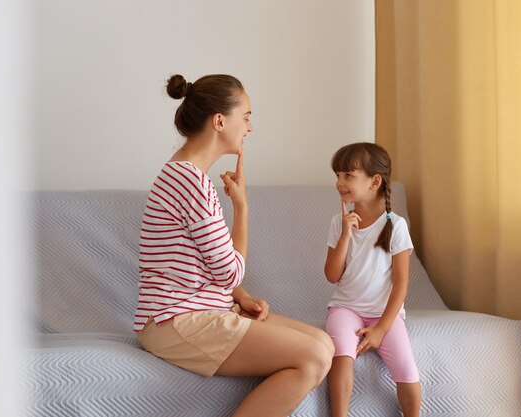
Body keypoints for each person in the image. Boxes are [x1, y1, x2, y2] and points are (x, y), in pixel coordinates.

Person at [134, 73, 334, 417]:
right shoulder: (191, 182)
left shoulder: (184, 174)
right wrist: (242, 207)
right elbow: (230, 272)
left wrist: (240, 297)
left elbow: (206, 267)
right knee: (314, 356)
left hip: (191, 311)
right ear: (219, 121)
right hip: (176, 320)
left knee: (324, 344)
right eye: (247, 116)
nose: (250, 127)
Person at [323, 142, 422, 417]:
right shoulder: (337, 222)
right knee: (341, 355)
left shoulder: (395, 226)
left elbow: (401, 285)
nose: (339, 183)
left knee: (407, 369)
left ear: (374, 181)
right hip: (346, 308)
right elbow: (332, 275)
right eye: (337, 176)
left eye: (347, 176)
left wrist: (381, 329)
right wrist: (345, 235)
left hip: (383, 314)